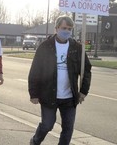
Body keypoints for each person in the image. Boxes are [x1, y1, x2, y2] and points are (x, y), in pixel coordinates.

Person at [28, 15, 92, 145]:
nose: (67, 31)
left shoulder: (77, 48)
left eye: (69, 29)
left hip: (69, 98)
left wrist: (83, 91)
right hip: (48, 96)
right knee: (47, 125)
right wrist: (33, 94)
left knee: (68, 129)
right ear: (56, 28)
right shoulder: (45, 47)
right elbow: (35, 71)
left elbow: (86, 70)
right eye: (64, 28)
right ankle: (35, 141)